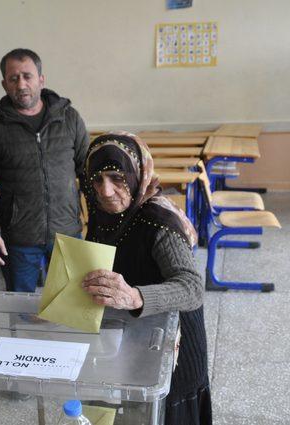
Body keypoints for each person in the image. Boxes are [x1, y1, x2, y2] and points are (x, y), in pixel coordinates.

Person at [81, 132, 211, 424]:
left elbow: (192, 288)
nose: (105, 190)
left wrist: (136, 296)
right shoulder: (102, 212)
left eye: (117, 177)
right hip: (134, 335)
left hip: (174, 342)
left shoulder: (158, 220)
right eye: (97, 179)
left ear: (137, 173)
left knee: (166, 412)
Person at [0, 48, 89, 293]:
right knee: (20, 308)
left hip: (66, 230)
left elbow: (88, 172)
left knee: (71, 303)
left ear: (41, 80)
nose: (21, 84)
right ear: (4, 84)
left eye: (27, 76)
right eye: (13, 78)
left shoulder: (69, 118)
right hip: (18, 237)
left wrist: (98, 224)